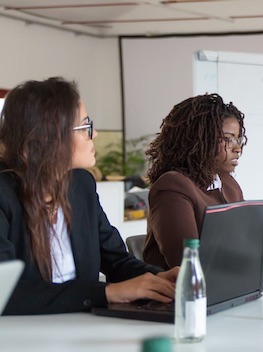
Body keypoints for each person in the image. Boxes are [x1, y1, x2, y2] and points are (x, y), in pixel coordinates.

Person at [0, 77, 178, 315]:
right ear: (47, 138)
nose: (93, 136)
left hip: (82, 329)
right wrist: (106, 293)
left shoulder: (81, 185)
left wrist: (160, 278)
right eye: (85, 127)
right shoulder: (4, 194)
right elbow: (7, 292)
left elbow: (116, 261)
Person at [143, 94, 246, 269]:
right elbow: (187, 261)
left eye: (238, 139)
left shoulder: (228, 183)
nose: (237, 148)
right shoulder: (173, 187)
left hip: (225, 282)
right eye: (228, 139)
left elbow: (259, 238)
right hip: (181, 292)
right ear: (198, 140)